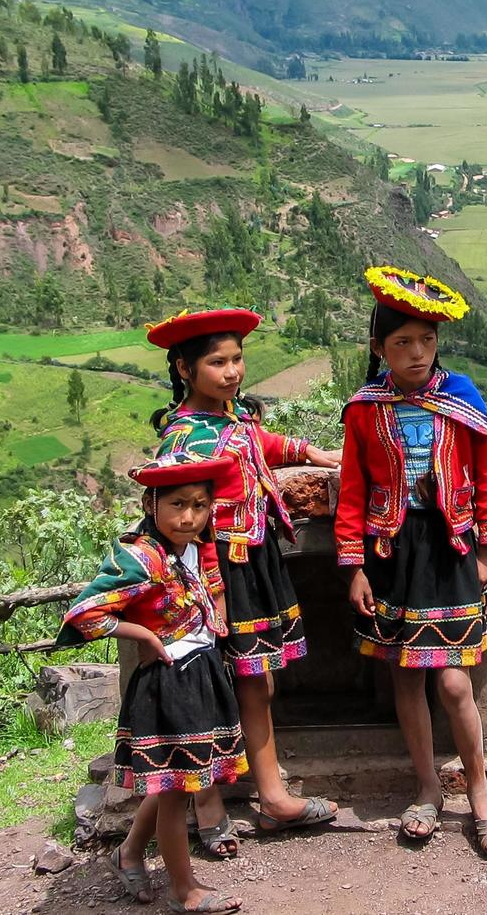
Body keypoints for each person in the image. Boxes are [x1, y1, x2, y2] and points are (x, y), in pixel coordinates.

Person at [336, 266, 487, 857]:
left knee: (454, 680)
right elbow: (354, 490)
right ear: (378, 348)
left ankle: (480, 787)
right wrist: (354, 564)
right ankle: (427, 786)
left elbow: (486, 475)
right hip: (391, 553)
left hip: (449, 549)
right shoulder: (364, 409)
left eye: (427, 341)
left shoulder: (461, 397)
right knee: (405, 676)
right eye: (402, 342)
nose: (417, 353)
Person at [147, 309, 339, 838]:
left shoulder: (232, 418)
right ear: (184, 369)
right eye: (217, 362)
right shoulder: (184, 441)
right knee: (206, 684)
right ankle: (207, 805)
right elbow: (179, 523)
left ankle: (270, 794)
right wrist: (208, 592)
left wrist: (310, 452)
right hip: (214, 576)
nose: (232, 371)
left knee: (258, 680)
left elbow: (260, 445)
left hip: (253, 564)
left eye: (237, 359)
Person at [58, 451, 246, 913]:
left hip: (199, 670)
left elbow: (212, 589)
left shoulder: (197, 546)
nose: (188, 517)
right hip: (168, 681)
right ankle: (185, 889)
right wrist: (141, 631)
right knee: (177, 788)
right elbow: (84, 614)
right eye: (178, 504)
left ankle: (129, 852)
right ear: (151, 503)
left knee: (176, 779)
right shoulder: (140, 556)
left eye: (199, 506)